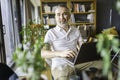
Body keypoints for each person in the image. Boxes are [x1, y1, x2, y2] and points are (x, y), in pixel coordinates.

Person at [41, 4, 102, 80]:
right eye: (58, 15)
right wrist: (60, 53)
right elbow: (43, 53)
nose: (61, 17)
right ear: (55, 17)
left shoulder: (76, 30)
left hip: (77, 62)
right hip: (60, 65)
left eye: (64, 14)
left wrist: (86, 50)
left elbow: (82, 45)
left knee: (103, 65)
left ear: (69, 16)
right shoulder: (50, 33)